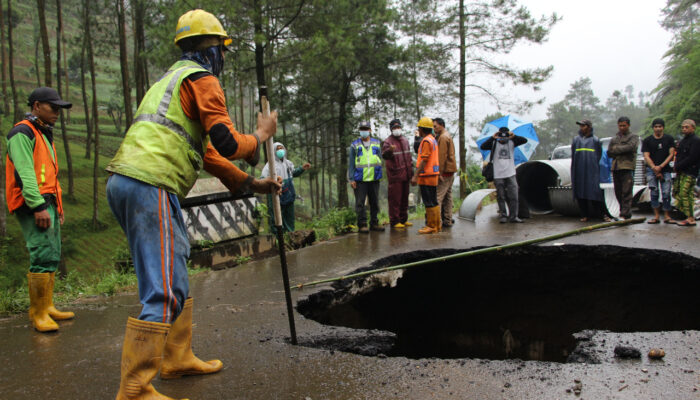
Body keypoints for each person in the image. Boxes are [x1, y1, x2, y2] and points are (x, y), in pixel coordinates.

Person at [105, 10, 281, 400]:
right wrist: (261, 135)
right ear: (212, 47)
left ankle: (177, 357)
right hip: (150, 183)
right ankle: (135, 387)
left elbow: (205, 153)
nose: (223, 56)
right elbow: (229, 144)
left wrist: (251, 184)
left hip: (129, 181)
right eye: (222, 48)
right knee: (163, 290)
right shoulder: (202, 79)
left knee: (175, 267)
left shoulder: (169, 82)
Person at [5, 87, 74, 333]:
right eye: (52, 107)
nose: (57, 112)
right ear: (36, 106)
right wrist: (38, 206)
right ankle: (38, 312)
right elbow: (25, 173)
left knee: (52, 253)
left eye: (59, 109)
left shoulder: (42, 132)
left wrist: (58, 206)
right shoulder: (22, 132)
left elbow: (49, 174)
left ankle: (48, 306)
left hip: (48, 202)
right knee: (42, 253)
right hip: (33, 203)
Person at [479, 127, 527, 223]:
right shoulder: (494, 143)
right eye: (502, 136)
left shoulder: (512, 142)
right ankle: (503, 215)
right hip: (498, 174)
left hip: (511, 173)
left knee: (514, 195)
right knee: (501, 196)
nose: (504, 139)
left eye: (506, 136)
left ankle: (514, 216)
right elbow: (483, 146)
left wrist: (513, 136)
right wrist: (493, 137)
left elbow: (524, 140)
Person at [260, 142, 311, 233]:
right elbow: (263, 179)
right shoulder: (269, 166)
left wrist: (302, 168)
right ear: (274, 151)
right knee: (277, 217)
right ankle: (278, 238)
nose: (280, 151)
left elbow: (293, 173)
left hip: (288, 194)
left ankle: (290, 235)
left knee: (289, 217)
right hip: (276, 195)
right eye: (278, 149)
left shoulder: (288, 163)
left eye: (281, 148)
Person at [348, 120, 384, 233]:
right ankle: (362, 224)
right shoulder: (355, 145)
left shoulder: (376, 143)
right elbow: (351, 163)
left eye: (366, 129)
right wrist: (351, 178)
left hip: (374, 178)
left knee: (374, 202)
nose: (364, 131)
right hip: (360, 179)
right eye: (362, 129)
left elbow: (379, 158)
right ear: (360, 131)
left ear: (370, 130)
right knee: (360, 203)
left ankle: (374, 223)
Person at [571, 119, 607, 222]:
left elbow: (598, 155)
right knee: (580, 192)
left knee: (594, 192)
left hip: (591, 170)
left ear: (589, 127)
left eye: (584, 126)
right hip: (579, 170)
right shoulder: (576, 140)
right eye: (580, 126)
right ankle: (584, 214)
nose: (581, 128)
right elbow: (574, 155)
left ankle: (602, 214)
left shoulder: (595, 140)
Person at [642, 118, 676, 224]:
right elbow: (646, 156)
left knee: (666, 192)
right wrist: (654, 168)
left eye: (660, 126)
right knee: (654, 192)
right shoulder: (647, 140)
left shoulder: (669, 139)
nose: (658, 129)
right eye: (656, 126)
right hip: (651, 170)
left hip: (666, 170)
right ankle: (656, 216)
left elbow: (671, 154)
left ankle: (667, 216)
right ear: (653, 128)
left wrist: (661, 166)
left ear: (663, 127)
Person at [381, 119, 413, 229]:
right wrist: (390, 150)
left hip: (406, 175)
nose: (396, 129)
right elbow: (385, 156)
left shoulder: (405, 140)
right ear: (391, 129)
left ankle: (404, 219)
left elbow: (409, 158)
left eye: (398, 127)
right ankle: (395, 221)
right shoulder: (388, 142)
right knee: (395, 199)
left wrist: (411, 173)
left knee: (405, 198)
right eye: (394, 128)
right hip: (395, 176)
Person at [411, 117, 441, 234]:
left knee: (429, 201)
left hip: (427, 175)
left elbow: (424, 160)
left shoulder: (426, 141)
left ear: (422, 129)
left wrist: (415, 176)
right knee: (433, 200)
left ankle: (431, 226)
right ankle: (437, 225)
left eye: (419, 127)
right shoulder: (432, 139)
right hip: (433, 174)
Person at [606, 116, 639, 220]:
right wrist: (619, 150)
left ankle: (625, 213)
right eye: (620, 125)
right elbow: (609, 152)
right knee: (618, 191)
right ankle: (622, 211)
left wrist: (617, 149)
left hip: (627, 166)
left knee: (627, 191)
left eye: (624, 125)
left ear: (628, 125)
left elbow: (631, 147)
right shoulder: (614, 139)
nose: (622, 127)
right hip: (616, 167)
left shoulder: (633, 137)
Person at [672, 119, 700, 226]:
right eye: (683, 127)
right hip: (681, 171)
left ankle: (690, 217)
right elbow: (678, 155)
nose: (684, 129)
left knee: (685, 193)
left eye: (686, 127)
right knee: (678, 193)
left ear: (693, 128)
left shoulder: (696, 140)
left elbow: (692, 157)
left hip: (690, 171)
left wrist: (678, 166)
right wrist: (676, 166)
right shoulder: (683, 141)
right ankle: (689, 216)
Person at [433, 118, 458, 228]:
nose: (434, 128)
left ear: (441, 125)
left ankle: (436, 222)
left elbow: (441, 157)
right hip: (450, 171)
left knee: (438, 197)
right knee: (448, 196)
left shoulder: (443, 138)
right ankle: (447, 220)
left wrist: (439, 172)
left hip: (445, 172)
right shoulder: (446, 135)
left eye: (435, 126)